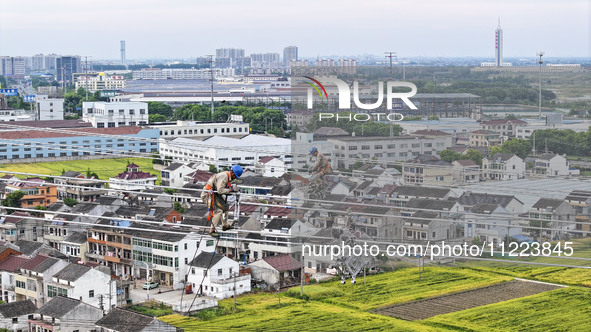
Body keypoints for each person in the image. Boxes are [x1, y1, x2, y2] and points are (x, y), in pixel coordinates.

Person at [201, 165, 243, 237]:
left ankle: (224, 225)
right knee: (219, 211)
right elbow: (220, 190)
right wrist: (230, 190)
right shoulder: (224, 176)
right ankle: (211, 230)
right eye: (235, 176)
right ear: (232, 173)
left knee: (225, 207)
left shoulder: (227, 176)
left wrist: (229, 189)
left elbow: (221, 188)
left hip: (214, 194)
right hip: (208, 195)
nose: (235, 178)